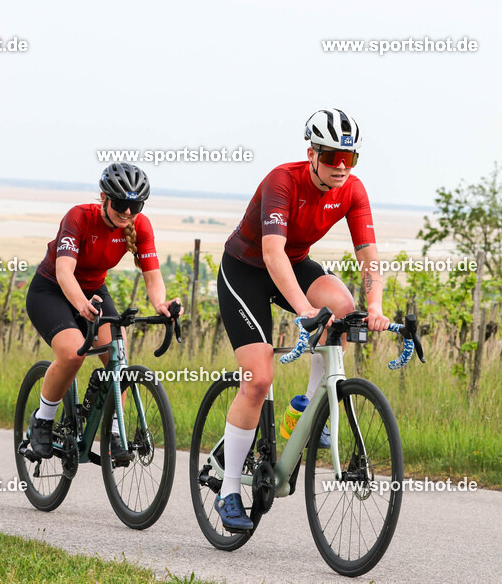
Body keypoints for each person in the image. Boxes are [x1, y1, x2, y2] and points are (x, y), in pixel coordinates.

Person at [214, 108, 388, 531]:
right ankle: (228, 490)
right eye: (331, 157)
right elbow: (272, 253)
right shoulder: (282, 181)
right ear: (311, 153)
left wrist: (377, 306)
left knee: (345, 309)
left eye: (350, 158)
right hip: (246, 271)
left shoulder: (352, 190)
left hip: (294, 263)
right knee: (258, 380)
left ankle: (313, 410)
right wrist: (305, 310)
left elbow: (368, 257)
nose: (341, 167)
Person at [25, 162, 177, 460]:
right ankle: (42, 419)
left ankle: (115, 434)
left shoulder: (140, 226)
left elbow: (152, 275)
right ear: (104, 197)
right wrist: (81, 305)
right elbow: (64, 272)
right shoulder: (79, 217)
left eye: (136, 205)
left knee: (117, 357)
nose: (129, 212)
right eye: (121, 204)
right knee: (71, 354)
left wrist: (161, 304)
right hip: (52, 290)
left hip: (94, 291)